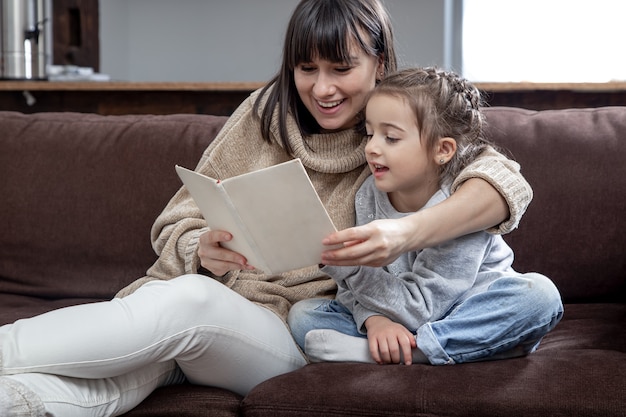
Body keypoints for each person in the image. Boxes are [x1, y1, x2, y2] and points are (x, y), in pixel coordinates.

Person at [0, 1, 533, 416]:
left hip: (286, 331)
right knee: (112, 377)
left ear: (380, 64)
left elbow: (502, 183)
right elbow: (179, 218)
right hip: (206, 315)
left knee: (188, 304)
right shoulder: (265, 112)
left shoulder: (412, 124)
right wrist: (201, 247)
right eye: (307, 68)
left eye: (341, 68)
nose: (321, 88)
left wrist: (404, 234)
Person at [288, 67, 564, 366]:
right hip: (401, 311)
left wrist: (349, 268)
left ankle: (419, 351)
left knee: (540, 297)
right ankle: (452, 348)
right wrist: (375, 321)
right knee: (304, 315)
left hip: (462, 312)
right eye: (369, 134)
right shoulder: (368, 193)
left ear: (442, 149)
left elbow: (425, 308)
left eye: (391, 137)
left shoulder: (458, 204)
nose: (371, 148)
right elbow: (353, 291)